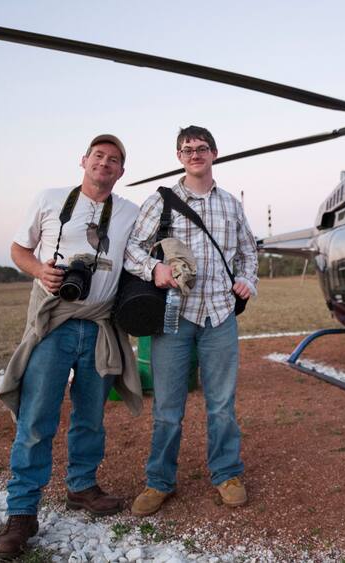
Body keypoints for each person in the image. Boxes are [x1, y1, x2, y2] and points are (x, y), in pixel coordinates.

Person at [0, 134, 144, 558]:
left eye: (113, 160)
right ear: (84, 160)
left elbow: (144, 251)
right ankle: (22, 512)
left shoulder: (130, 212)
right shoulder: (49, 198)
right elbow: (19, 248)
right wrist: (40, 270)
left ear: (121, 171)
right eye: (98, 156)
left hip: (100, 325)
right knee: (37, 417)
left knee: (91, 415)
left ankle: (81, 486)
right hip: (54, 324)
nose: (104, 163)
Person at [126, 125, 258, 516]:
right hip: (174, 315)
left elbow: (248, 252)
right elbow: (132, 248)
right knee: (168, 407)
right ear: (179, 157)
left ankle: (227, 474)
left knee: (222, 405)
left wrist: (247, 280)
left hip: (220, 314)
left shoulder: (231, 204)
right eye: (187, 150)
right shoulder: (161, 201)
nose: (194, 154)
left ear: (214, 153)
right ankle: (159, 480)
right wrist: (154, 269)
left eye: (201, 148)